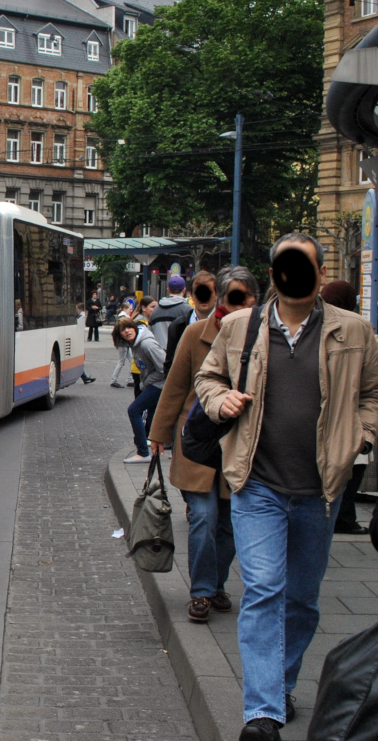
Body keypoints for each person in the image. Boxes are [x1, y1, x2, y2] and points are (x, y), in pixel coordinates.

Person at [195, 233, 378, 740]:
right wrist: (220, 401)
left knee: (301, 598)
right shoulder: (238, 327)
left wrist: (360, 437)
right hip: (257, 485)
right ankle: (263, 714)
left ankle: (282, 682)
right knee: (263, 590)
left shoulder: (356, 332)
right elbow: (206, 380)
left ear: (321, 274)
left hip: (321, 491)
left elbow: (373, 395)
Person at [148, 266, 257, 624]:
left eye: (245, 297)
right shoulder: (196, 333)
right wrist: (158, 434)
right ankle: (202, 591)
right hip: (196, 441)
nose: (238, 304)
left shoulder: (262, 337)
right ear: (221, 300)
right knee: (204, 517)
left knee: (227, 523)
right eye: (232, 297)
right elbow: (176, 386)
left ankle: (217, 584)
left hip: (235, 444)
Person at [320, 279, 370, 535]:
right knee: (353, 470)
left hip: (331, 422)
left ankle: (340, 516)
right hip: (349, 420)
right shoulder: (361, 329)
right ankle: (344, 517)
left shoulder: (316, 326)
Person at [119, 315, 167, 465]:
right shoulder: (136, 344)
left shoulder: (146, 344)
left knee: (134, 410)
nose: (127, 331)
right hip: (156, 383)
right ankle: (153, 445)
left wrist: (145, 383)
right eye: (123, 329)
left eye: (129, 327)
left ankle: (143, 452)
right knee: (153, 414)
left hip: (160, 384)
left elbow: (164, 368)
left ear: (134, 328)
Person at [164, 270, 218, 376]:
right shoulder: (178, 326)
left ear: (216, 295)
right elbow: (170, 365)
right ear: (191, 296)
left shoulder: (226, 324)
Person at [150, 275, 191, 348]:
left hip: (159, 353)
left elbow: (150, 333)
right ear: (184, 290)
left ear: (168, 289)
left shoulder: (155, 310)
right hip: (178, 354)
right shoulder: (187, 310)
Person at [110, 300, 135, 388]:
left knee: (130, 359)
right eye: (129, 309)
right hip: (123, 343)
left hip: (123, 342)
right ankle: (114, 380)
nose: (130, 311)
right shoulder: (124, 318)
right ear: (125, 309)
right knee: (122, 361)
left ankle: (129, 379)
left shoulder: (121, 317)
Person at [75, 303, 96, 383]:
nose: (77, 310)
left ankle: (85, 378)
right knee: (79, 361)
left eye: (77, 309)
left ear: (80, 309)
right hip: (78, 341)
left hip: (78, 341)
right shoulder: (81, 316)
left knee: (79, 361)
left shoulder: (81, 317)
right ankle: (85, 378)